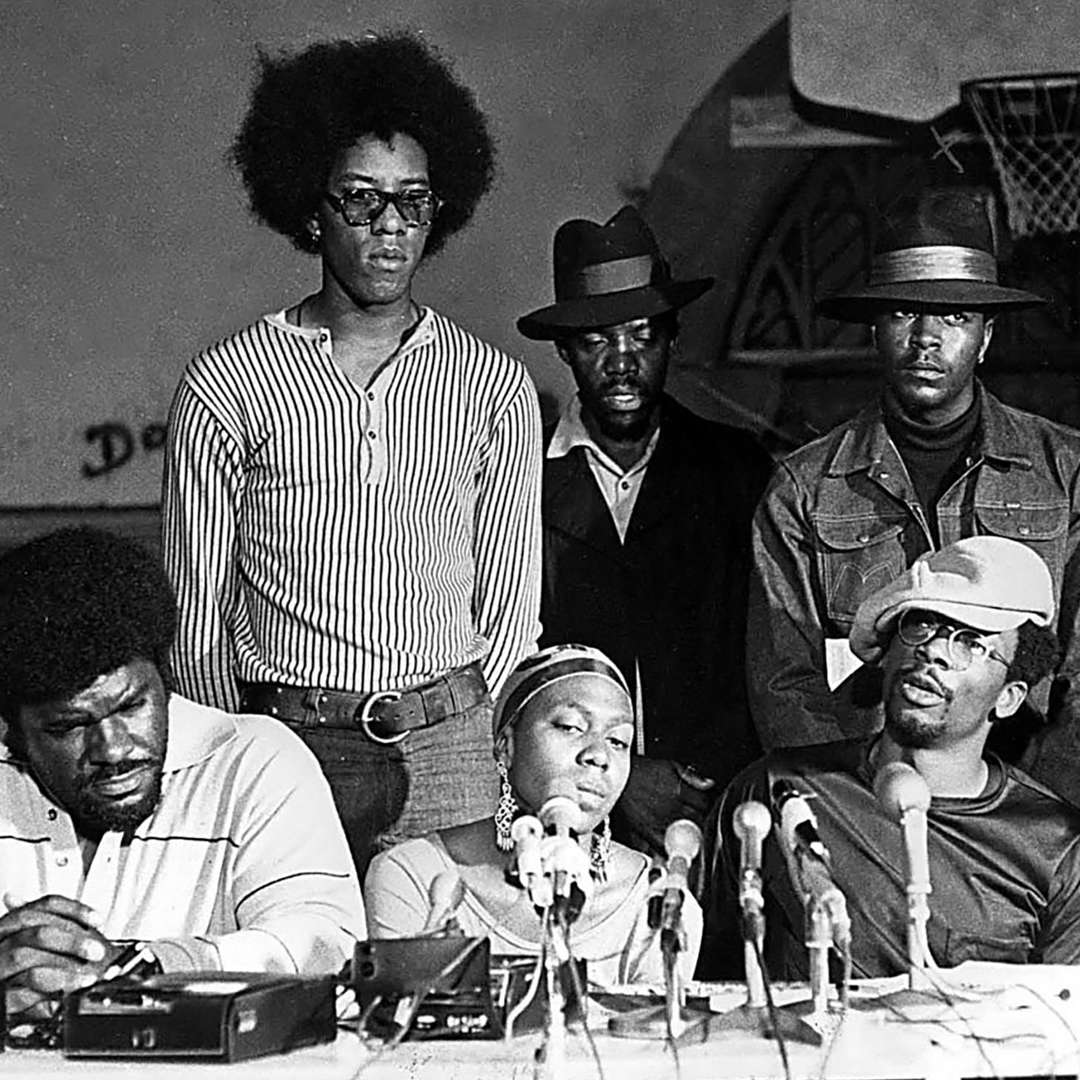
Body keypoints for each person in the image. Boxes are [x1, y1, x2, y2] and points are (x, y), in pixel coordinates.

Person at [161, 33, 542, 879]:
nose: (390, 227)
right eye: (362, 200)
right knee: (301, 954)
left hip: (450, 753)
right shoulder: (228, 381)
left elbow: (512, 609)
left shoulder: (494, 385)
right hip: (292, 747)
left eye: (413, 201)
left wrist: (471, 742)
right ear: (310, 210)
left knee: (449, 957)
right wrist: (243, 759)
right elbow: (196, 622)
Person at [748, 186, 1080, 803]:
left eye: (954, 318)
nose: (927, 338)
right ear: (875, 330)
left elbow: (1078, 682)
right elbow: (787, 687)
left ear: (986, 337)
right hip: (864, 803)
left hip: (1028, 812)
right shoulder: (803, 490)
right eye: (904, 313)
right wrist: (860, 808)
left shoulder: (1066, 472)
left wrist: (1026, 815)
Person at [0, 528, 365, 1023]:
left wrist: (148, 972)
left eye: (132, 706)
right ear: (13, 733)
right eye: (69, 726)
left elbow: (328, 948)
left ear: (165, 683)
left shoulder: (252, 761)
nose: (113, 749)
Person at [703, 536, 1080, 980]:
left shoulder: (1058, 846)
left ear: (1009, 697)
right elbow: (698, 974)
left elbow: (1064, 1013)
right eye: (922, 625)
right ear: (886, 653)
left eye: (971, 643)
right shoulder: (778, 791)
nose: (933, 650)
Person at [517, 206, 772, 858]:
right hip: (565, 811)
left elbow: (766, 648)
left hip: (719, 805)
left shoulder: (737, 469)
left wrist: (701, 782)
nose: (623, 361)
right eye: (597, 341)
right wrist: (622, 777)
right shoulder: (522, 474)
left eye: (643, 336)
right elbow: (515, 656)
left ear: (673, 339)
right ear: (564, 349)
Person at [364, 645, 703, 987]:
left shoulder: (657, 903)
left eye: (618, 741)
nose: (599, 755)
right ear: (506, 745)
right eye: (570, 727)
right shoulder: (413, 875)